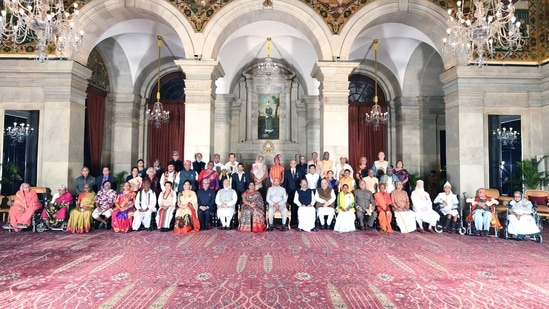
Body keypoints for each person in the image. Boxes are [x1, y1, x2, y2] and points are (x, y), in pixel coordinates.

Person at [284, 159, 301, 228]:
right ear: (290, 164)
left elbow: (301, 181)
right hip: (289, 191)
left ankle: (295, 221)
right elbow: (285, 182)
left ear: (296, 164)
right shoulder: (286, 172)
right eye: (292, 163)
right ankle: (288, 221)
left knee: (296, 206)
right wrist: (286, 191)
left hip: (297, 192)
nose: (293, 164)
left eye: (294, 163)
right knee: (289, 206)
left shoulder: (299, 172)